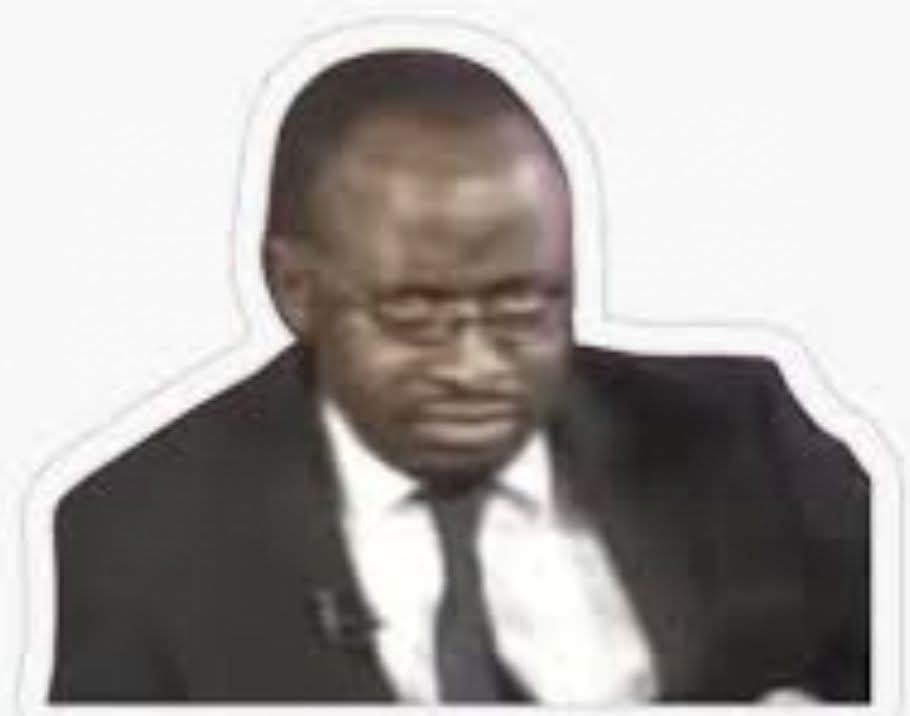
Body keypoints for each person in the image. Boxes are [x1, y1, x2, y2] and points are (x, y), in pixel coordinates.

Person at [49, 50, 869, 704]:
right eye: (415, 314)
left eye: (524, 308)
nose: (476, 367)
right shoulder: (140, 536)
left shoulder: (747, 443)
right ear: (296, 288)